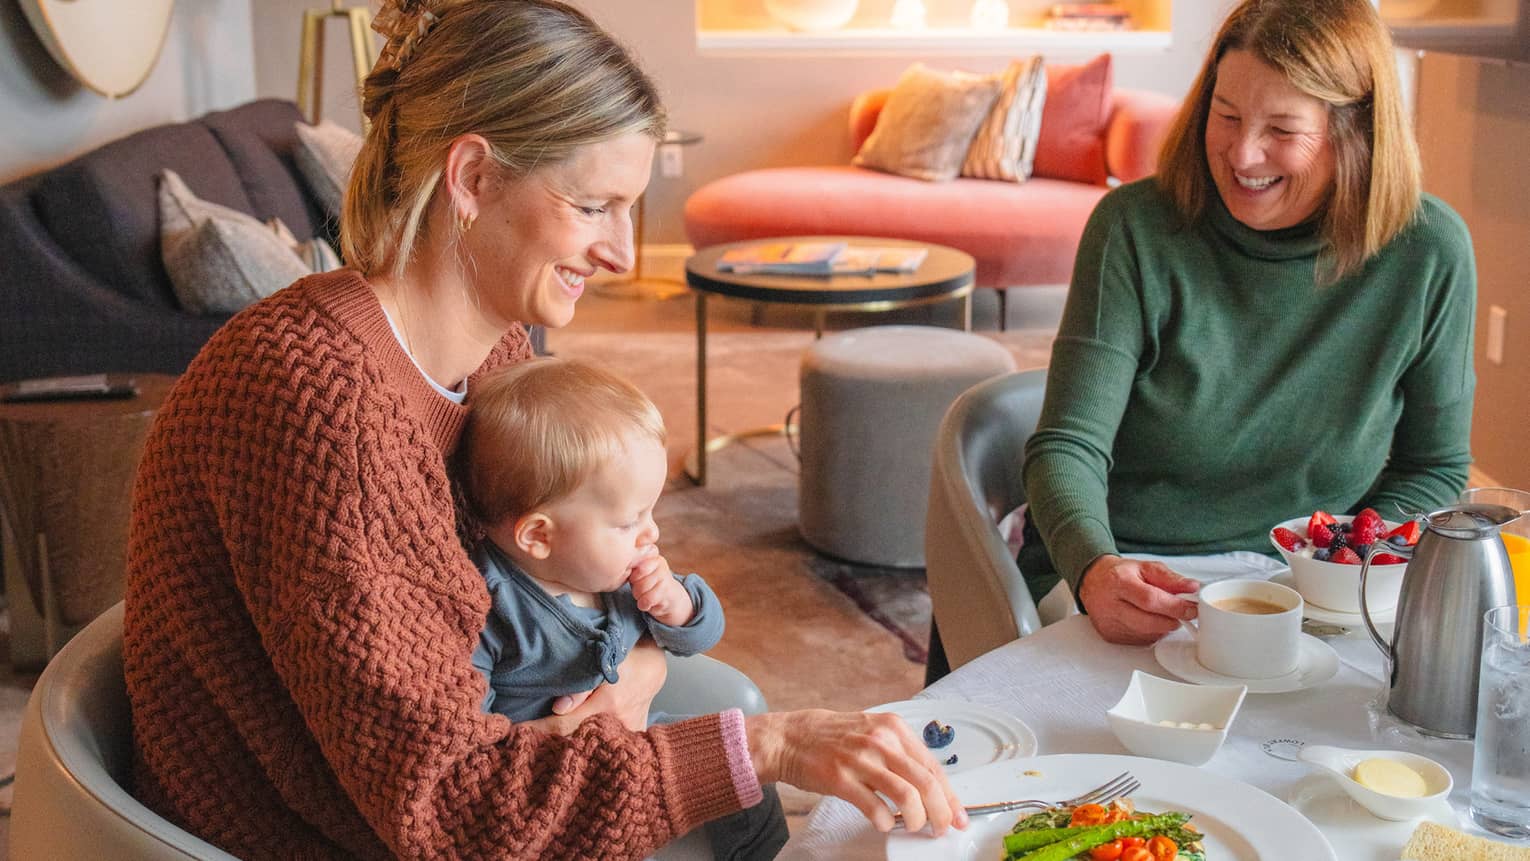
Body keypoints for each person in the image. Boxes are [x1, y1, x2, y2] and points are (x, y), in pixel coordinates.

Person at [123, 2, 964, 858]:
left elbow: (549, 593)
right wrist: (776, 744)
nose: (625, 255)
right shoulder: (314, 400)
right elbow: (450, 808)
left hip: (483, 754)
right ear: (475, 178)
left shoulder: (494, 353)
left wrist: (638, 663)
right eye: (595, 205)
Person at [1020, 0, 1475, 646]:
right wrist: (1096, 565)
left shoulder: (1429, 251)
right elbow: (1066, 446)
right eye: (1226, 115)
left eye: (1282, 130)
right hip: (1138, 571)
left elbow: (1434, 466)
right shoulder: (1133, 230)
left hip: (1311, 585)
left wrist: (1341, 564)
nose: (1242, 152)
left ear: (1355, 132)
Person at [461, 357, 786, 859]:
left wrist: (678, 606)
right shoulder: (489, 608)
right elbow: (473, 738)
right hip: (560, 791)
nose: (650, 532)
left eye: (650, 511)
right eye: (628, 520)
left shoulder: (617, 573)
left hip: (638, 738)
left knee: (747, 786)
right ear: (539, 536)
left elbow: (702, 634)